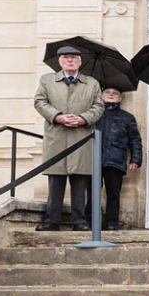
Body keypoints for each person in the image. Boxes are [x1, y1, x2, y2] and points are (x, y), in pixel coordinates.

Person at [33, 46, 105, 232]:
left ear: (80, 62)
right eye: (66, 57)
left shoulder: (92, 83)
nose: (70, 60)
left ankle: (79, 222)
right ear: (59, 61)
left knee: (79, 182)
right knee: (55, 181)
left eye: (74, 57)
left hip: (81, 138)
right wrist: (57, 116)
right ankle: (51, 221)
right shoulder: (47, 80)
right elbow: (40, 102)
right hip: (56, 137)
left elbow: (99, 106)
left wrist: (83, 118)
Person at [92, 87, 143, 231]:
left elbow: (135, 140)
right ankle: (90, 220)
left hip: (115, 159)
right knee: (92, 191)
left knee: (113, 193)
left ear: (120, 98)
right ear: (101, 96)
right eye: (107, 92)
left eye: (115, 93)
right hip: (94, 158)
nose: (111, 95)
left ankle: (112, 222)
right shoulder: (94, 114)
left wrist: (136, 159)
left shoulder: (127, 117)